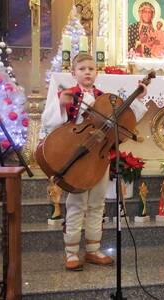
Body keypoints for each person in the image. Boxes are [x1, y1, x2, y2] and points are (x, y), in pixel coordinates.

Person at [40, 53, 148, 271]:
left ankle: (92, 250)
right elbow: (51, 124)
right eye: (82, 69)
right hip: (78, 157)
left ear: (97, 72)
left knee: (98, 204)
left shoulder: (104, 98)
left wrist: (138, 97)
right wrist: (60, 104)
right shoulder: (69, 95)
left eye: (91, 68)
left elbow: (127, 121)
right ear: (73, 73)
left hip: (100, 157)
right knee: (77, 205)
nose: (87, 72)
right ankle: (71, 252)